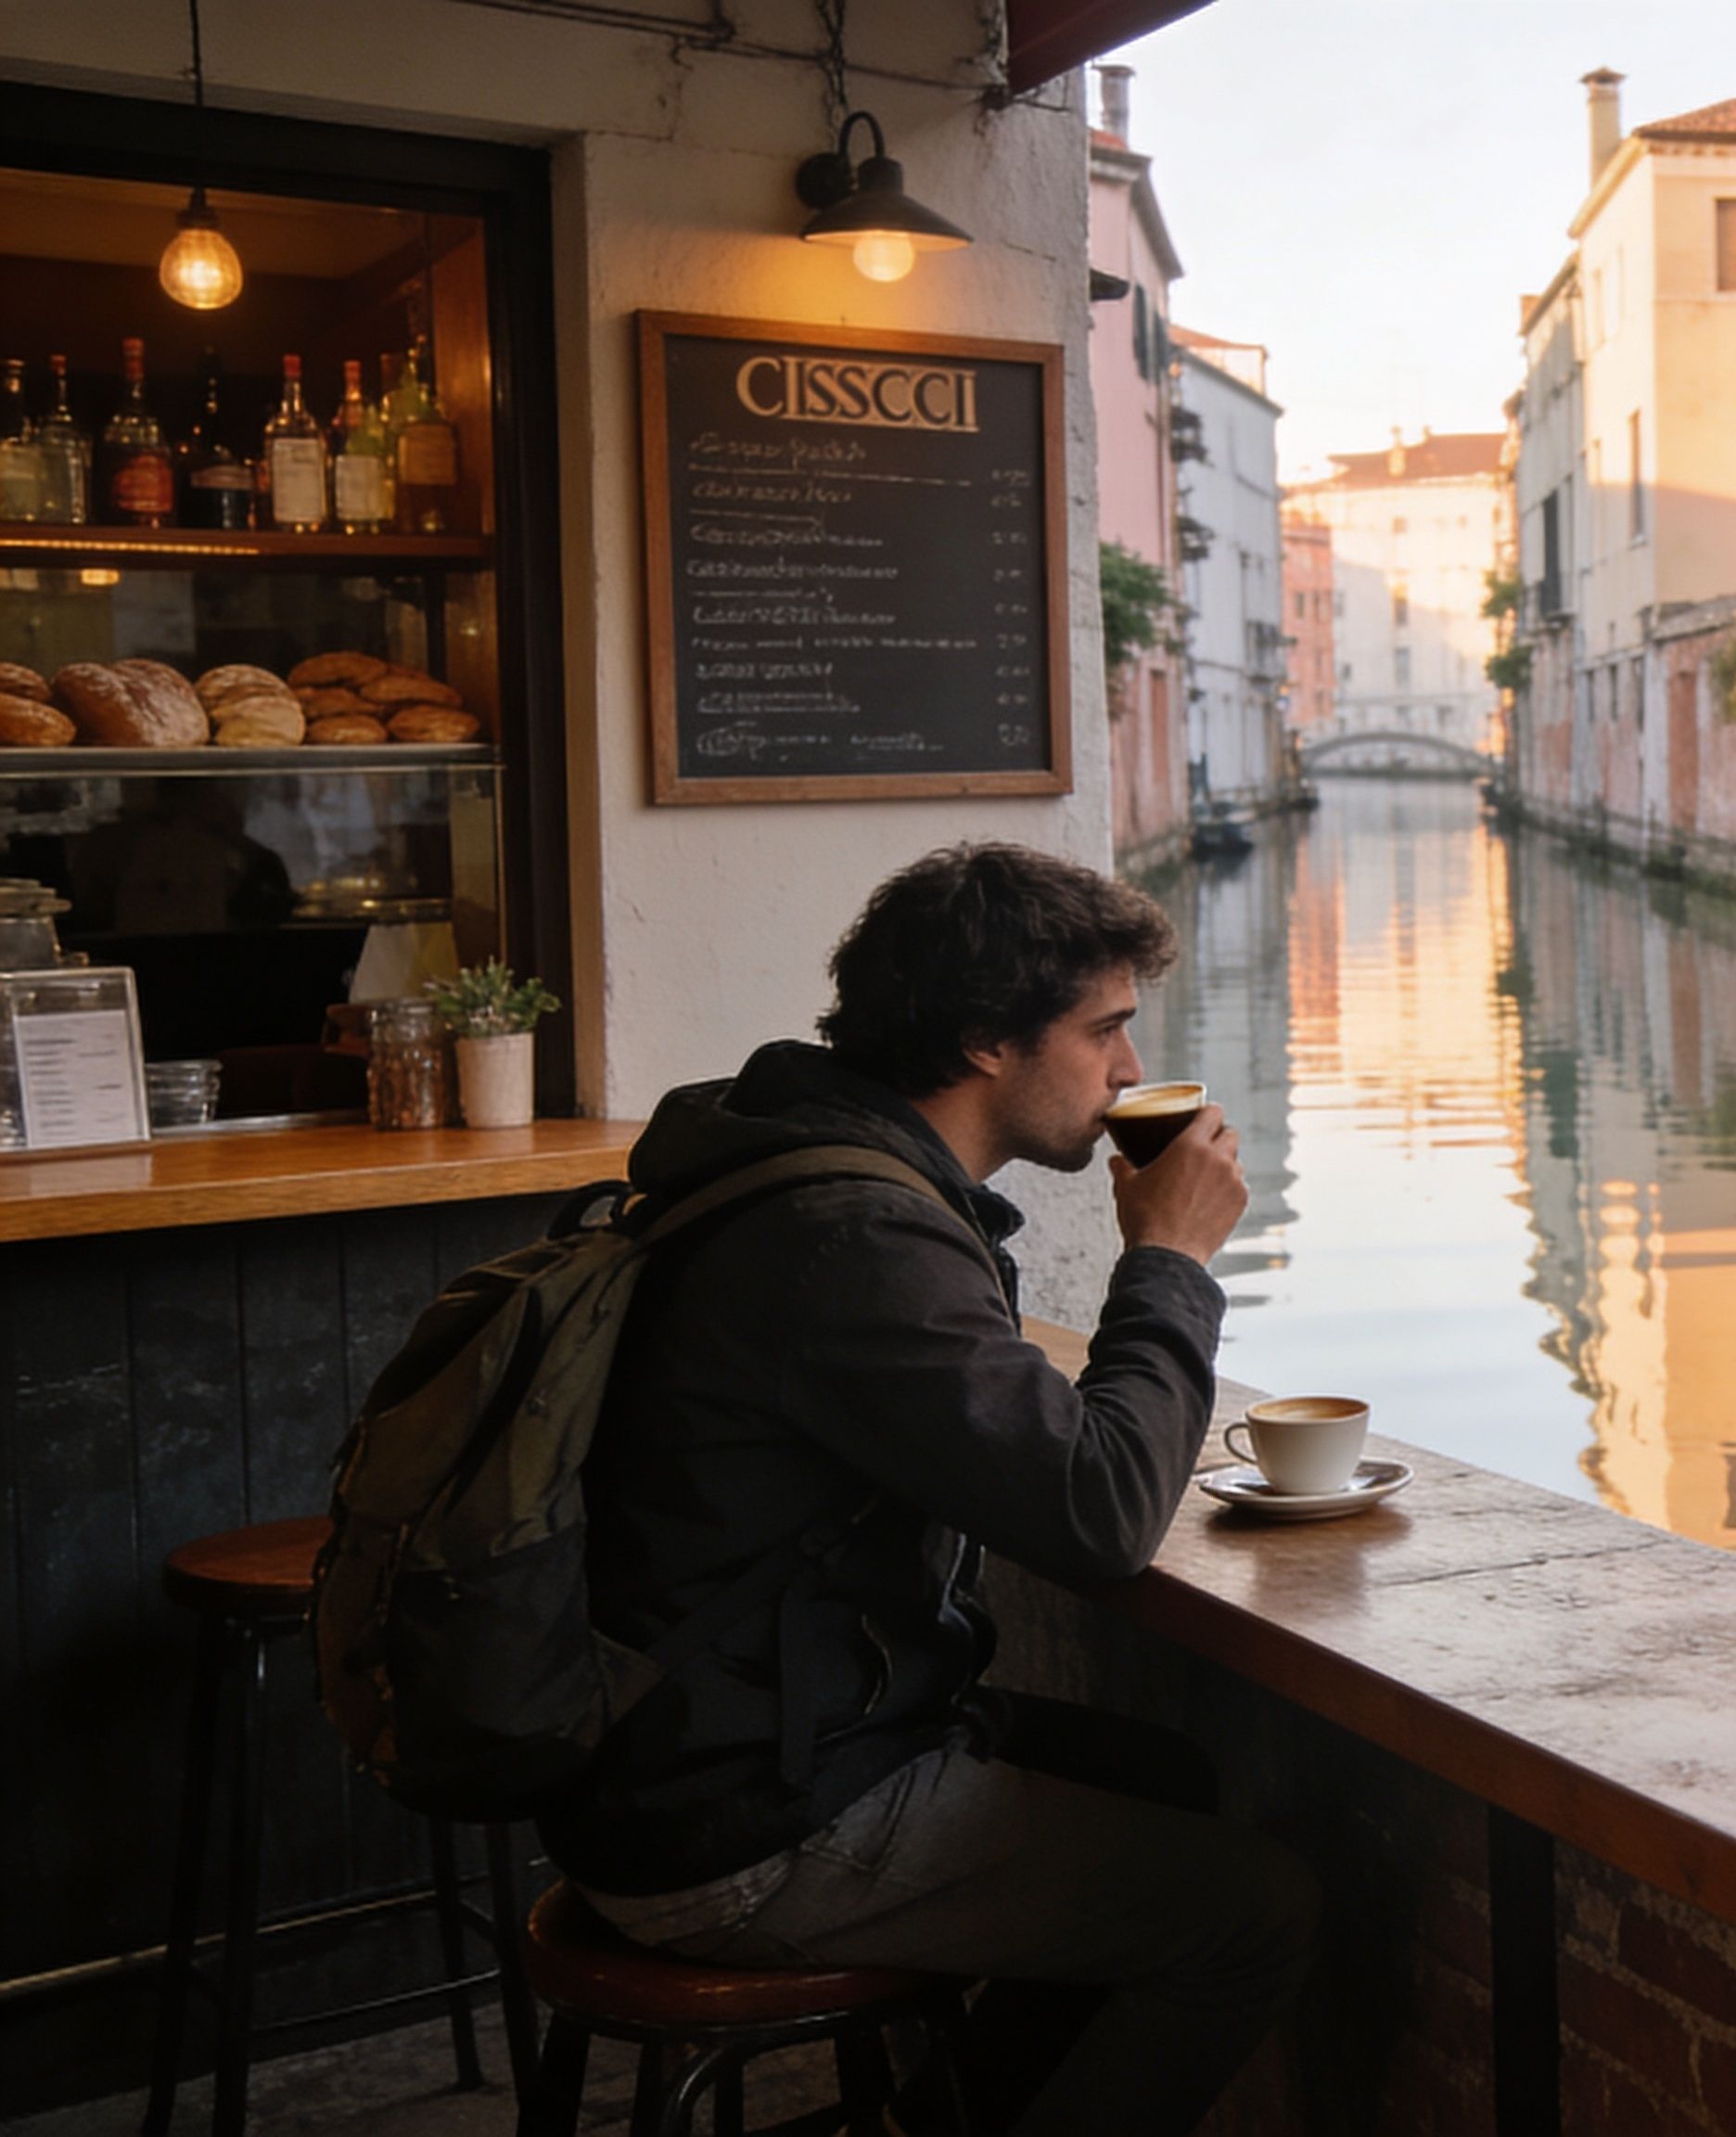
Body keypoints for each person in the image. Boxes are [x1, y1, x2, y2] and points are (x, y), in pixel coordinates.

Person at [537, 843, 1315, 2134]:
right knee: (1255, 1916)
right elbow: (1104, 1515)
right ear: (984, 1042)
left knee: (1162, 1778)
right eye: (1106, 1030)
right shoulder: (854, 1236)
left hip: (688, 1753)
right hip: (737, 1823)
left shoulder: (800, 1160)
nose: (1130, 1071)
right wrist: (1169, 1260)